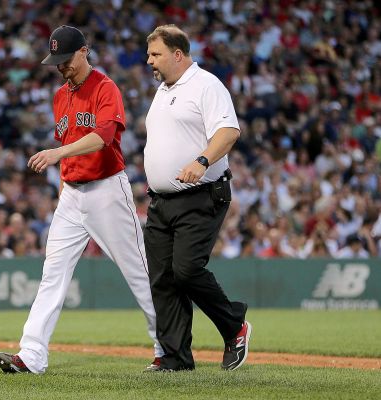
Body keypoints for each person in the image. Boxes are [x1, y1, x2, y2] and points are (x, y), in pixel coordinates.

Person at [0, 25, 163, 374]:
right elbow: (70, 151)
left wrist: (58, 153)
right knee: (52, 274)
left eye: (66, 59)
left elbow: (102, 138)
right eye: (56, 61)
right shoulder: (60, 96)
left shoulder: (106, 88)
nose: (61, 66)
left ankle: (167, 348)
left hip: (106, 190)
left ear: (84, 52)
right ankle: (32, 355)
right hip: (71, 195)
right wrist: (62, 188)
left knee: (138, 271)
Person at [143, 25, 251, 372]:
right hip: (161, 200)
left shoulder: (206, 85)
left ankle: (234, 324)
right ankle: (176, 359)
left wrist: (202, 160)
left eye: (155, 54)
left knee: (187, 271)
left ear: (178, 54)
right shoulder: (163, 90)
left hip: (201, 194)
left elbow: (229, 130)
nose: (149, 61)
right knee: (162, 279)